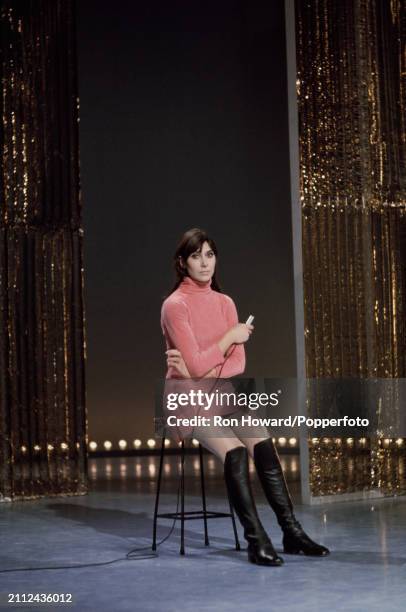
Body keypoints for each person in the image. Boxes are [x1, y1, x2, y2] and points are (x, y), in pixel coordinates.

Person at [160, 227, 329, 566]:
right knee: (236, 453)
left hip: (222, 395)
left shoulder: (225, 303)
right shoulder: (174, 305)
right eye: (196, 256)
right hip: (188, 401)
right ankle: (257, 539)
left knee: (264, 446)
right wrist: (228, 339)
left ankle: (291, 532)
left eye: (210, 254)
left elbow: (238, 362)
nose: (205, 262)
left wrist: (204, 366)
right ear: (183, 263)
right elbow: (195, 365)